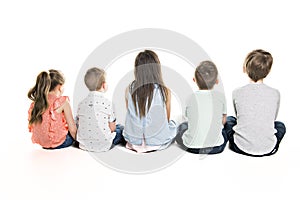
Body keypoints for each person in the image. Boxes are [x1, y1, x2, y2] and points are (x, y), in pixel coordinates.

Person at [225, 49, 286, 156]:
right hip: (268, 149)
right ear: (268, 71)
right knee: (280, 125)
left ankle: (240, 141)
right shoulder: (275, 93)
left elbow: (239, 117)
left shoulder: (236, 92)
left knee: (230, 120)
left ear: (244, 69)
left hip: (240, 147)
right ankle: (267, 144)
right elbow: (273, 119)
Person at [123, 50, 176, 153]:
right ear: (157, 69)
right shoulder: (164, 91)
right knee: (175, 125)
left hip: (134, 143)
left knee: (121, 128)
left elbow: (130, 115)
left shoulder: (129, 89)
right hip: (156, 143)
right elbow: (167, 118)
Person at [176, 61, 228, 154]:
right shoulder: (221, 97)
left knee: (181, 126)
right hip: (216, 147)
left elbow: (188, 118)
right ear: (217, 81)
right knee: (230, 122)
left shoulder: (190, 98)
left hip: (192, 147)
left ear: (194, 80)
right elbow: (223, 121)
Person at [76, 67, 125, 152]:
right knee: (120, 128)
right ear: (103, 85)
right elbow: (112, 128)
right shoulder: (108, 103)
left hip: (84, 145)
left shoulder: (81, 104)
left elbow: (80, 123)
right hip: (104, 145)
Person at [28, 69, 77, 149]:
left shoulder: (37, 103)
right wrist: (78, 141)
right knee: (75, 123)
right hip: (60, 143)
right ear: (60, 87)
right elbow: (73, 130)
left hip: (43, 144)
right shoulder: (63, 102)